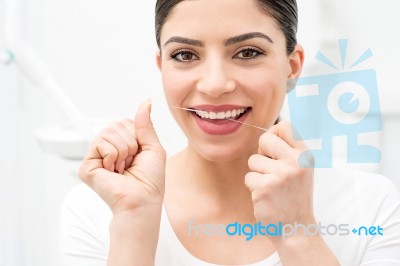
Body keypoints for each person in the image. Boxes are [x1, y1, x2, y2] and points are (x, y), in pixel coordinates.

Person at [59, 0, 400, 265]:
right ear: (162, 65)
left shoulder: (373, 208)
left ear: (292, 66)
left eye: (248, 52)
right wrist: (134, 224)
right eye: (185, 54)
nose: (215, 84)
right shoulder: (100, 210)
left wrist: (297, 232)